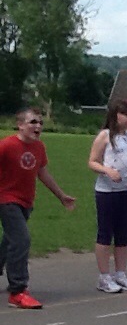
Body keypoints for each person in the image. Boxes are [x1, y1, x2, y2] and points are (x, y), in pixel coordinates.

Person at [0, 107, 76, 309]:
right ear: (20, 125)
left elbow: (42, 172)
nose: (38, 126)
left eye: (40, 123)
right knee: (21, 239)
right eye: (33, 122)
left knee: (10, 239)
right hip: (6, 200)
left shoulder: (39, 147)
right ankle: (18, 291)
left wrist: (61, 196)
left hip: (26, 201)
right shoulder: (7, 146)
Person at [88, 99, 127, 293]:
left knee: (123, 234)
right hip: (108, 191)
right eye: (125, 114)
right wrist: (107, 171)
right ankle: (104, 276)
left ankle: (120, 273)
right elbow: (92, 161)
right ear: (115, 116)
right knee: (105, 233)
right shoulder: (105, 136)